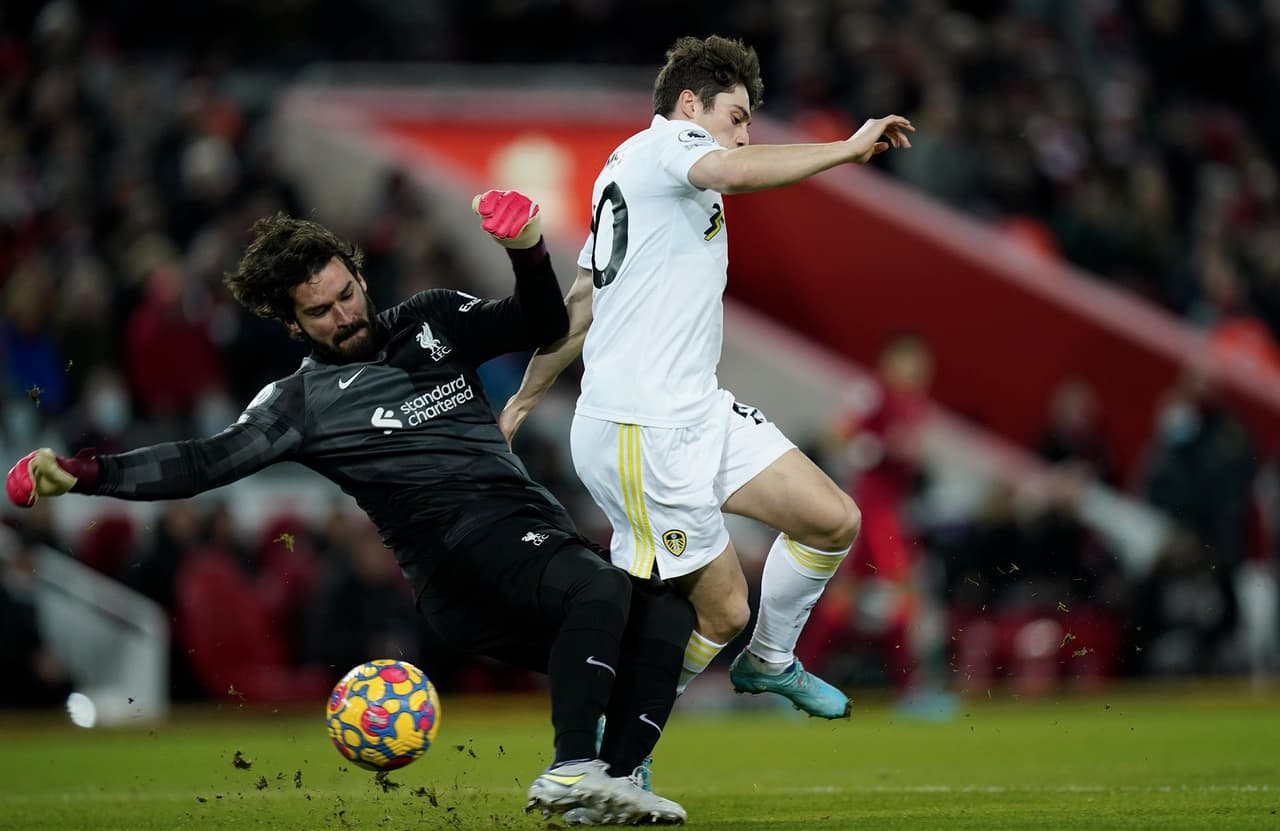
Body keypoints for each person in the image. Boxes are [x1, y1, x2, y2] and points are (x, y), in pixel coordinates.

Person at [6, 190, 691, 827]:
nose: (345, 315)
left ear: (359, 276)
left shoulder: (432, 319)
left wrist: (530, 252)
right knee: (597, 584)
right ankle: (572, 766)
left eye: (347, 293)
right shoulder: (299, 404)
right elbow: (204, 461)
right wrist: (86, 471)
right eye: (322, 311)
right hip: (458, 561)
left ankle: (611, 785)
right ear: (290, 321)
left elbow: (539, 322)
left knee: (666, 614)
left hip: (524, 540)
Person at [498, 35, 914, 719]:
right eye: (738, 116)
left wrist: (521, 401)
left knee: (831, 520)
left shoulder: (626, 173)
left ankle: (769, 659)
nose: (743, 136)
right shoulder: (669, 147)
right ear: (689, 105)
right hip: (643, 425)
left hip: (697, 411)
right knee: (721, 609)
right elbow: (732, 171)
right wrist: (846, 148)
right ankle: (615, 739)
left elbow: (579, 304)